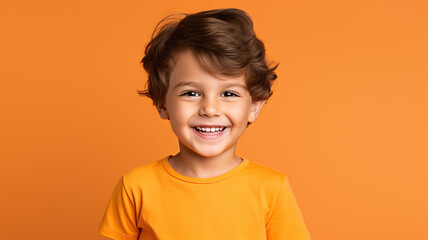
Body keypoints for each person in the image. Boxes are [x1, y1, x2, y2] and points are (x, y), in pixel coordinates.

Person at [98, 8, 311, 240]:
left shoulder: (271, 188)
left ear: (254, 107)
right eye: (191, 93)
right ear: (162, 104)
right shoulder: (136, 187)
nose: (210, 109)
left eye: (229, 94)